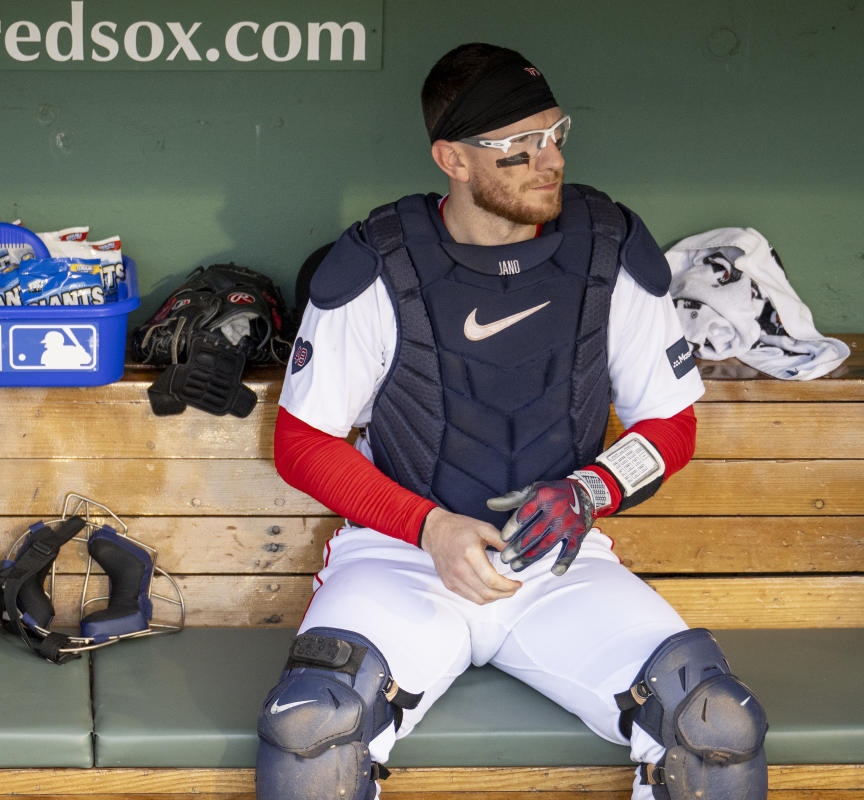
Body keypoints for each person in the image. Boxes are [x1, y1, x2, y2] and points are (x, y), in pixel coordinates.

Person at [254, 43, 767, 800]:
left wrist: (588, 493)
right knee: (313, 728)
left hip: (562, 564)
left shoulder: (609, 244)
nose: (547, 159)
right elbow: (301, 445)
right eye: (515, 147)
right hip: (402, 560)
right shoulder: (380, 260)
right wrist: (430, 527)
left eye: (555, 133)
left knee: (714, 724)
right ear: (452, 160)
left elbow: (670, 423)